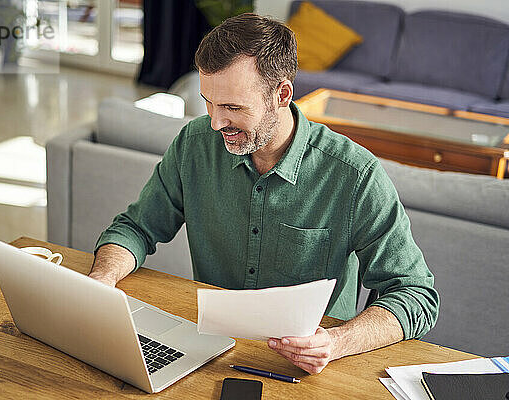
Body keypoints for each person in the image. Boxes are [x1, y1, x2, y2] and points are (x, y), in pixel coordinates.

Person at [89, 13, 439, 375]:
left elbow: (416, 294)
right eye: (209, 102)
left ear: (282, 94)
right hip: (209, 353)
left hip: (311, 368)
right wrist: (101, 281)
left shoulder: (354, 175)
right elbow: (135, 227)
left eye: (233, 108)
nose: (215, 122)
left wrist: (336, 343)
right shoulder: (194, 145)